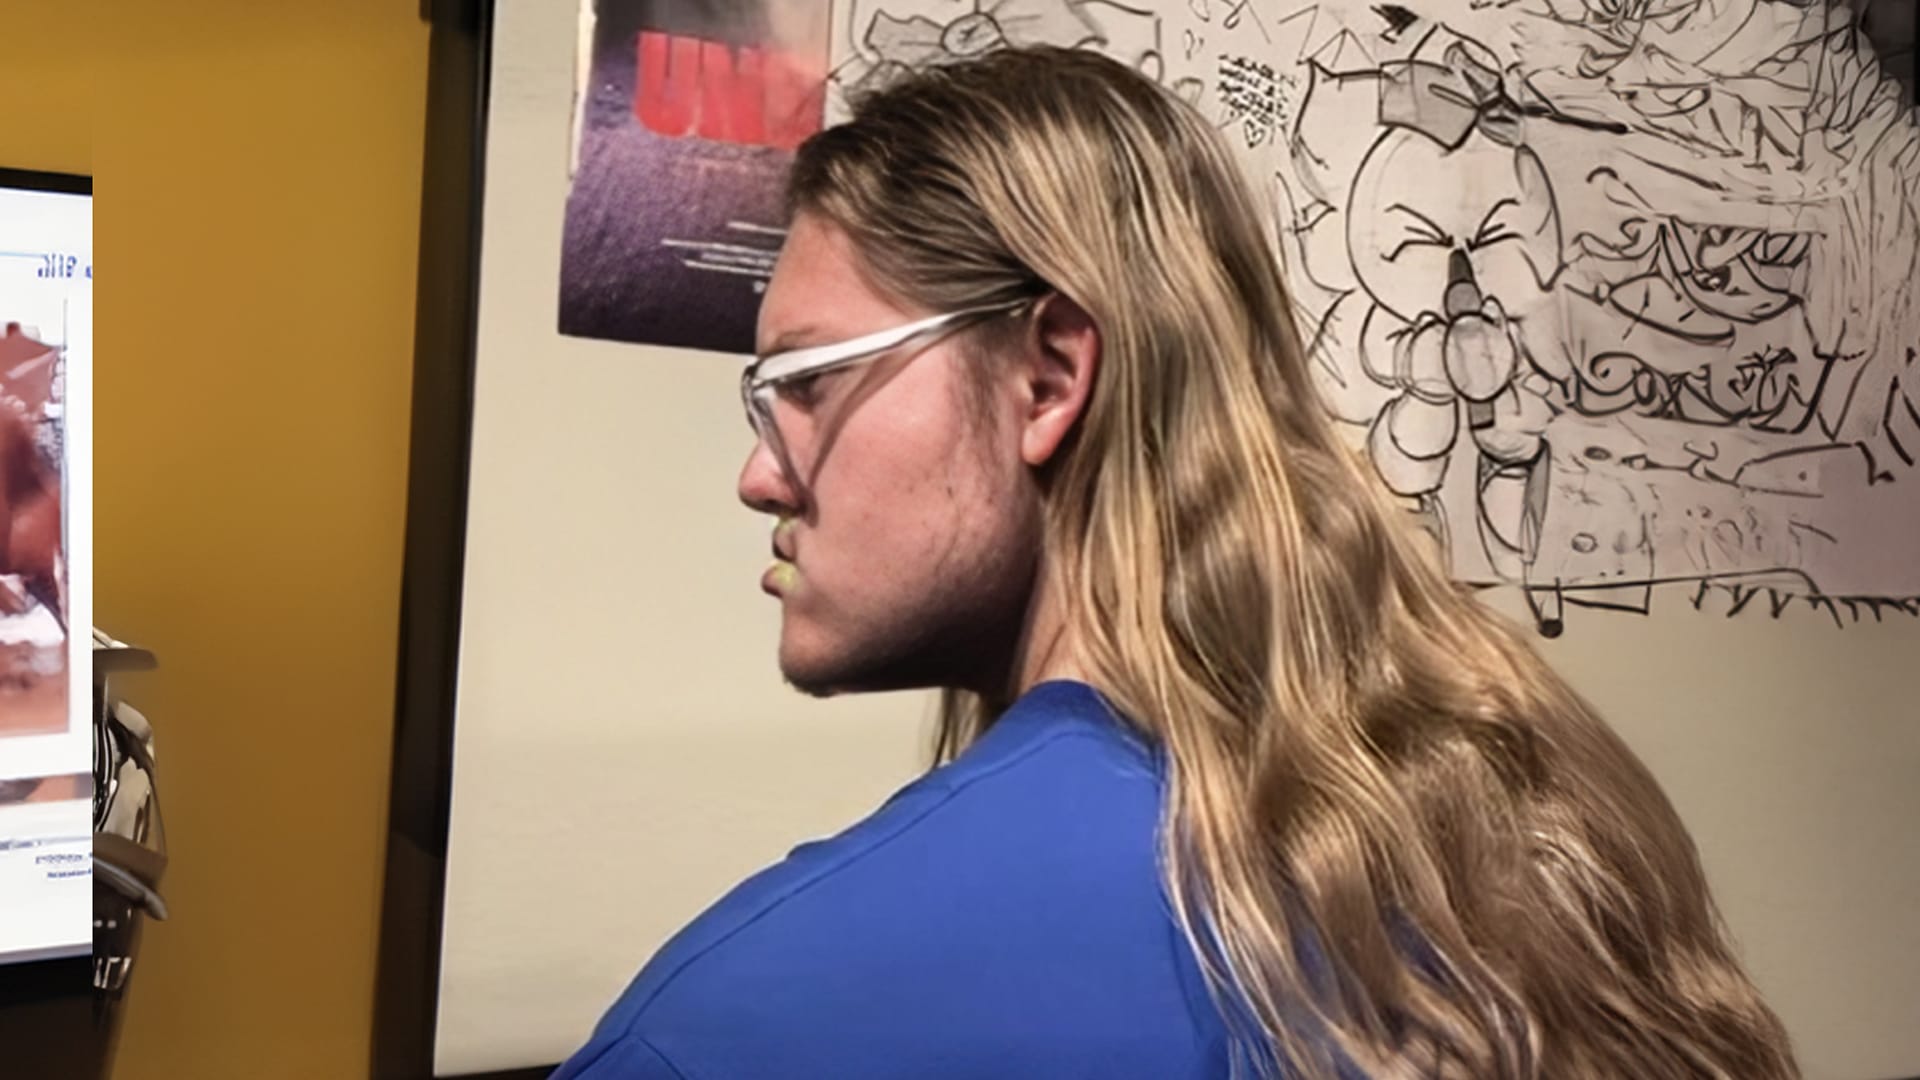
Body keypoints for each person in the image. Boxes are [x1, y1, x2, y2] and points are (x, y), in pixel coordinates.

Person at [554, 46, 1797, 1080]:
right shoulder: (1522, 848)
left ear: (1048, 378)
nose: (761, 475)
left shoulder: (735, 1025)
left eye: (807, 384)